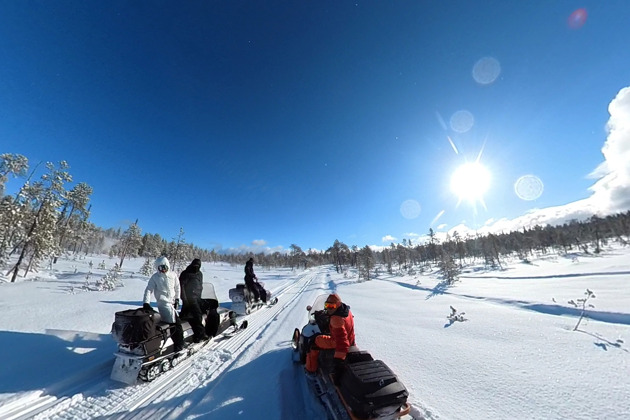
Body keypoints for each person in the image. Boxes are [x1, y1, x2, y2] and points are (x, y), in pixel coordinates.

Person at [305, 293, 355, 385]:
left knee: (314, 341)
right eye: (327, 305)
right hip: (350, 340)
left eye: (332, 306)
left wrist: (338, 364)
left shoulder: (336, 319)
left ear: (338, 305)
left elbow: (342, 343)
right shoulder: (347, 311)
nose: (329, 308)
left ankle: (311, 370)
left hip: (338, 343)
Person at [143, 256, 186, 352]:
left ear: (168, 266)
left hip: (173, 304)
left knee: (173, 323)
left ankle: (174, 343)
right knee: (175, 324)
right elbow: (149, 289)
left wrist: (177, 299)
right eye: (160, 268)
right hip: (163, 304)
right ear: (157, 268)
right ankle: (179, 346)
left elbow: (177, 288)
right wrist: (146, 302)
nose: (163, 270)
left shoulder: (173, 275)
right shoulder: (155, 277)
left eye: (164, 267)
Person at [179, 258, 209, 343]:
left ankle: (186, 333)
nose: (196, 267)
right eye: (195, 265)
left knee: (185, 315)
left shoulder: (200, 274)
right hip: (189, 299)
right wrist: (184, 299)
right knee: (197, 315)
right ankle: (200, 335)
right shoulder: (186, 273)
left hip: (197, 298)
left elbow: (200, 285)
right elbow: (182, 287)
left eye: (198, 266)